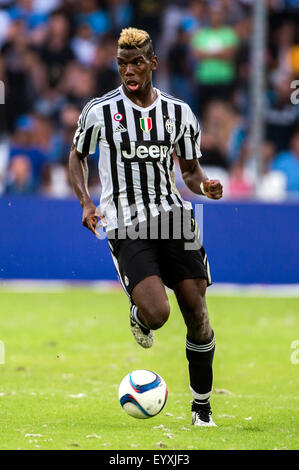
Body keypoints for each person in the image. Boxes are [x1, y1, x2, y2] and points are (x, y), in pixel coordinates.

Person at [68, 27, 223, 427]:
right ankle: (140, 314)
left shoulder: (179, 113)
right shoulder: (99, 111)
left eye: (137, 62)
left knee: (198, 312)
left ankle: (202, 410)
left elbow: (189, 171)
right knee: (158, 313)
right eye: (122, 63)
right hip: (124, 222)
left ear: (153, 63)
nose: (129, 70)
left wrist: (204, 186)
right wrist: (86, 201)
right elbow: (77, 156)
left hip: (172, 216)